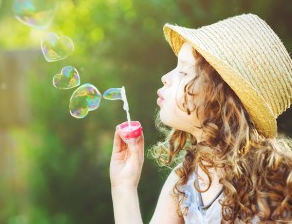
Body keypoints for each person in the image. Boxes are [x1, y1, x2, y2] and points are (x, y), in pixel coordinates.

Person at [109, 14, 292, 223]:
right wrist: (123, 186)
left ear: (220, 96)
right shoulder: (185, 181)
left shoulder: (276, 183)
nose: (165, 78)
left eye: (184, 72)